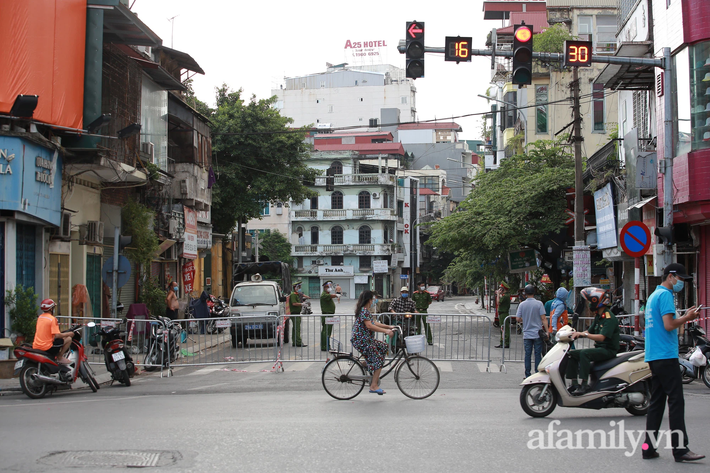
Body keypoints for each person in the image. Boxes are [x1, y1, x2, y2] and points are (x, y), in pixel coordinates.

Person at [642, 263, 704, 462]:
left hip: (654, 356)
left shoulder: (653, 296)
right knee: (676, 401)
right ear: (671, 276)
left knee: (657, 403)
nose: (682, 283)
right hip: (666, 355)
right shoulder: (666, 295)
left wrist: (685, 316)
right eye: (680, 279)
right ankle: (680, 449)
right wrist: (687, 317)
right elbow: (669, 325)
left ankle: (647, 448)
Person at [565, 287, 619, 395]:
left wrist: (585, 334)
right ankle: (574, 382)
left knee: (585, 353)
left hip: (608, 350)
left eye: (590, 302)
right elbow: (589, 331)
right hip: (599, 348)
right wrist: (576, 334)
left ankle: (585, 384)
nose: (589, 305)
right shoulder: (599, 317)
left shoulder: (609, 318)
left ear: (597, 302)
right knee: (571, 354)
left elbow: (602, 337)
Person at [350, 290, 396, 395]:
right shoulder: (364, 311)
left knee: (384, 347)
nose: (374, 300)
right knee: (379, 360)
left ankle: (368, 364)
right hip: (362, 341)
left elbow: (374, 322)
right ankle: (374, 386)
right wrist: (386, 331)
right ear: (369, 300)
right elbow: (370, 326)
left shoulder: (366, 310)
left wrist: (389, 326)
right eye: (373, 298)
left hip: (366, 339)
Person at [516, 284, 547, 378]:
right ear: (534, 293)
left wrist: (524, 319)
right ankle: (537, 374)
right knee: (538, 354)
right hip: (537, 333)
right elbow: (543, 318)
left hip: (527, 334)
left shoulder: (522, 304)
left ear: (525, 293)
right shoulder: (539, 304)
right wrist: (547, 331)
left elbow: (517, 319)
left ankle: (527, 374)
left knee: (527, 355)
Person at [33, 299, 73, 364]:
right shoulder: (52, 319)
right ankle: (59, 357)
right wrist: (69, 333)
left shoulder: (40, 317)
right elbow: (57, 335)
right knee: (68, 339)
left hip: (36, 346)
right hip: (47, 347)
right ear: (51, 309)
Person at [320, 281, 338, 351]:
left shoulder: (326, 294)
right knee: (326, 331)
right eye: (328, 287)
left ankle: (327, 345)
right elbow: (330, 296)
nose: (330, 288)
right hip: (327, 315)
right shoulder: (324, 294)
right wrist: (336, 295)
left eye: (330, 287)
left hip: (329, 315)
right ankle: (325, 346)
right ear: (325, 288)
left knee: (328, 331)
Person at [288, 281, 307, 347]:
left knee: (295, 328)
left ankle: (295, 342)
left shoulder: (296, 294)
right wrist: (301, 304)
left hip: (297, 313)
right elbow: (294, 303)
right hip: (294, 313)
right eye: (299, 287)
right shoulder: (293, 295)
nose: (300, 288)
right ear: (296, 287)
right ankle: (298, 342)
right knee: (297, 328)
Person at [495, 282, 511, 348]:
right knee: (502, 329)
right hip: (502, 314)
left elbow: (498, 302)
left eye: (501, 289)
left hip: (504, 314)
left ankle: (506, 342)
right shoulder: (505, 295)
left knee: (504, 329)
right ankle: (502, 342)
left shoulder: (505, 296)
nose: (499, 290)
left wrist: (498, 295)